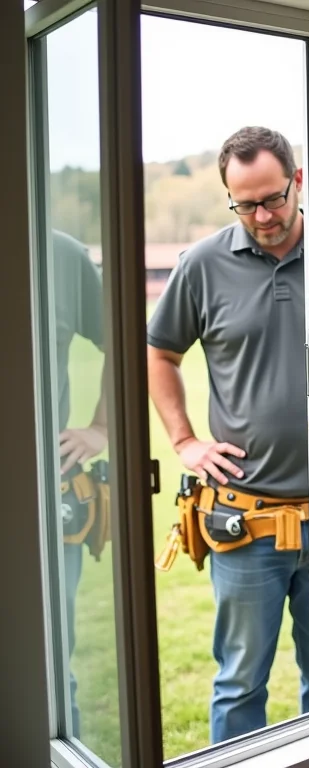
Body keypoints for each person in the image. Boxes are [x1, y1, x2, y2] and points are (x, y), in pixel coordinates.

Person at [147, 126, 309, 743]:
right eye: (244, 204)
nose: (262, 216)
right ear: (228, 196)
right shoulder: (201, 265)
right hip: (246, 521)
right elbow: (159, 353)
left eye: (271, 198)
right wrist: (186, 441)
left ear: (298, 182)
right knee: (240, 684)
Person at [52, 229, 110, 738]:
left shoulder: (61, 255)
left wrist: (101, 427)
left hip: (51, 503)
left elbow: (125, 341)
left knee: (51, 659)